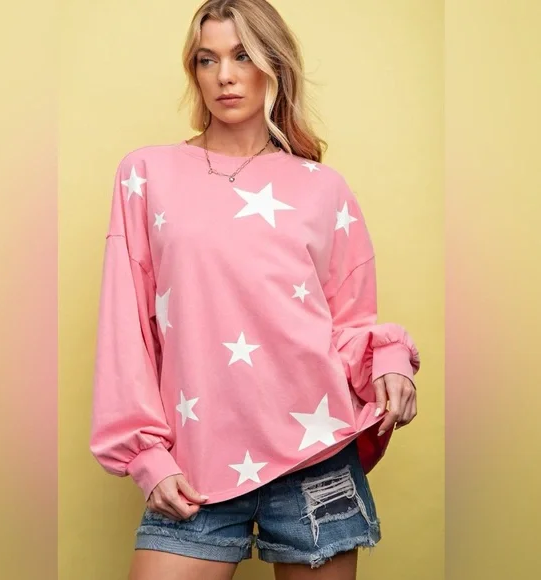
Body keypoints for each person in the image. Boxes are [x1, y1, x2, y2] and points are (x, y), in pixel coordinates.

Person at [89, 1, 421, 578]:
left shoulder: (323, 187)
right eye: (207, 59)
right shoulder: (146, 174)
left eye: (242, 55)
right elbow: (127, 324)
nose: (225, 75)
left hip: (316, 460)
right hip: (195, 463)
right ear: (194, 71)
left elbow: (348, 324)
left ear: (274, 65)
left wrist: (389, 362)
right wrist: (145, 454)